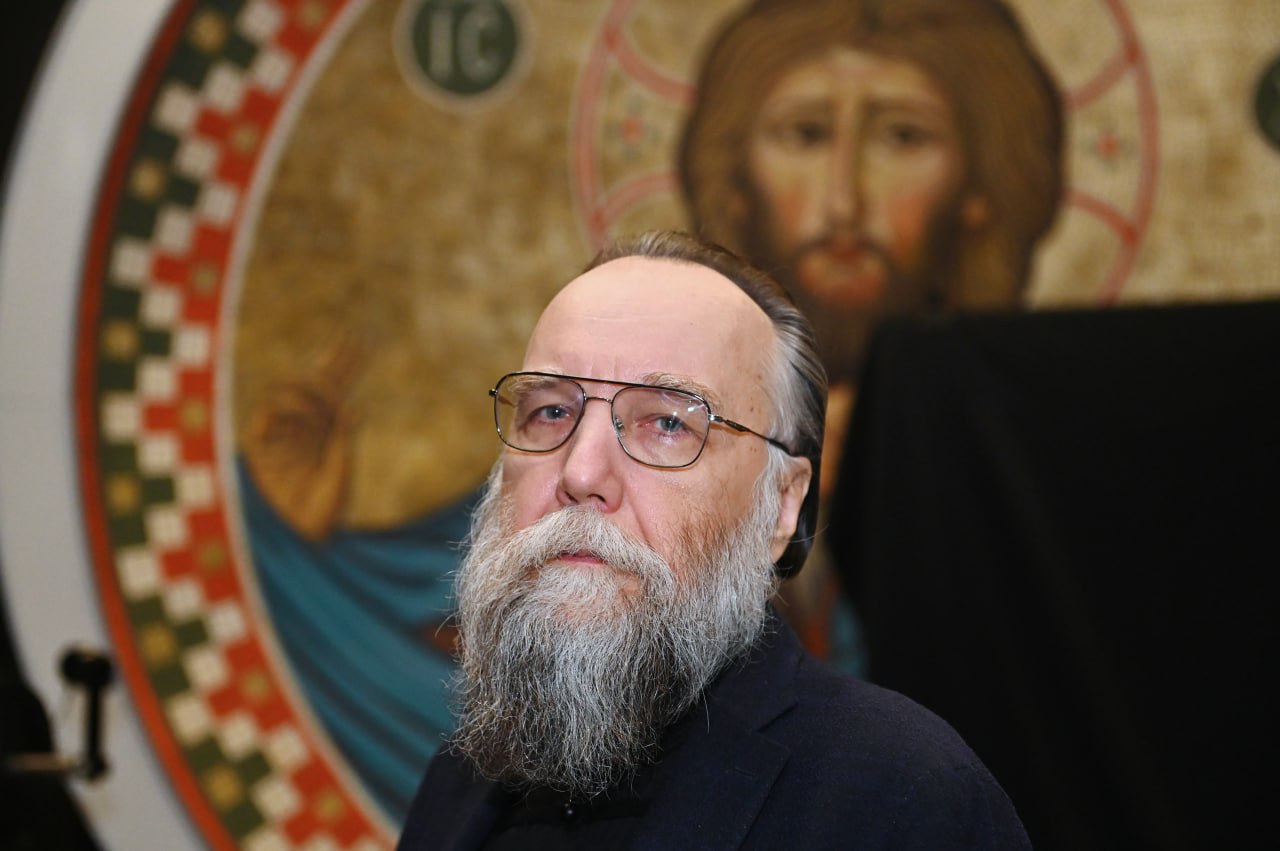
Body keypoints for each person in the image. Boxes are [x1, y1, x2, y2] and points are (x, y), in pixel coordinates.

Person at [397, 231, 1030, 849]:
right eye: (551, 412)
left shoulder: (897, 795)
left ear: (782, 506)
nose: (581, 473)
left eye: (667, 423)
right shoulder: (458, 783)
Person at [679, 0, 1063, 662]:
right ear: (735, 175)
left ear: (980, 183)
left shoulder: (1038, 493)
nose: (843, 203)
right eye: (804, 134)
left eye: (902, 138)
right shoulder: (641, 463)